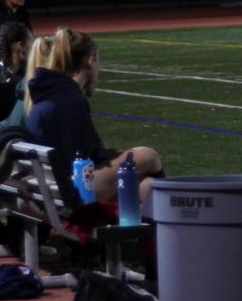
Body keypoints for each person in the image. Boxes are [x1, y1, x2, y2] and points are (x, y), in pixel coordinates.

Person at [24, 27, 163, 204]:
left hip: (52, 186)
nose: (99, 68)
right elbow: (83, 160)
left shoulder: (51, 92)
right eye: (99, 62)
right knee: (147, 155)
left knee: (145, 184)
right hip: (71, 191)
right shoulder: (69, 98)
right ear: (91, 60)